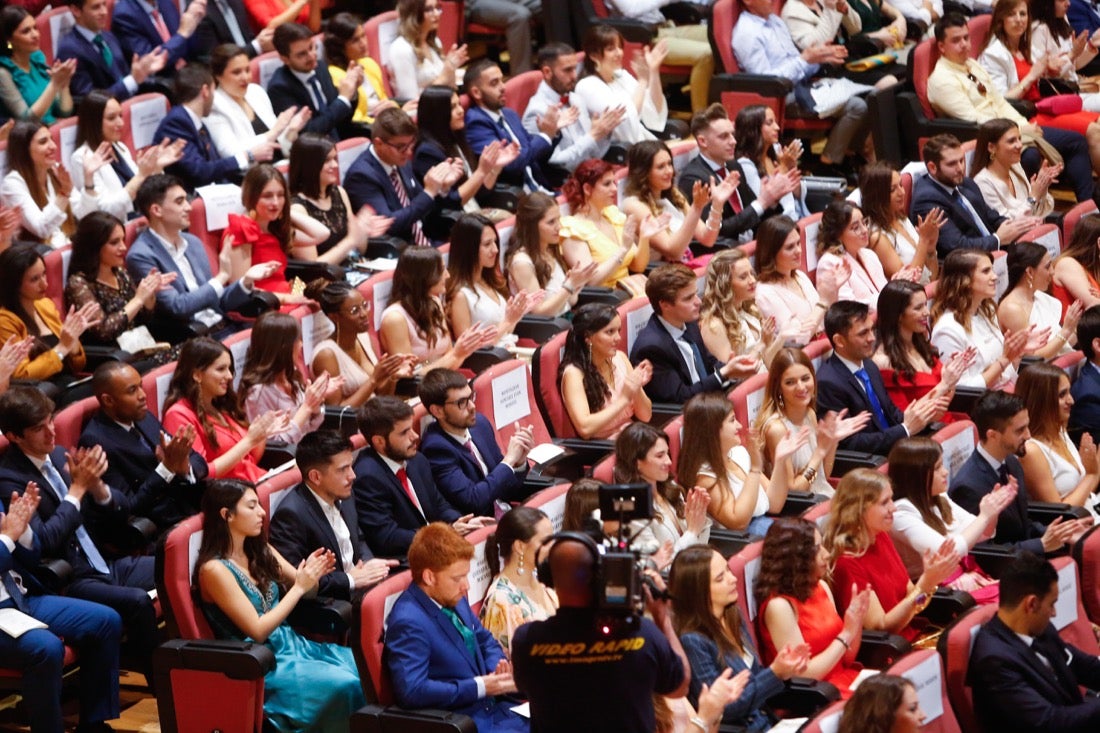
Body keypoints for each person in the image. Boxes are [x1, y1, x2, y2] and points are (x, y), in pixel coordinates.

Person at [0, 385, 160, 683]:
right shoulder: (10, 479)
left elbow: (120, 511)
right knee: (137, 601)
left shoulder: (59, 454)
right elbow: (44, 541)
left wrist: (97, 488)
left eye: (51, 421)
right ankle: (164, 685)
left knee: (179, 563)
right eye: (38, 428)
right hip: (70, 579)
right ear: (14, 436)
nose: (51, 432)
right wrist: (76, 492)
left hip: (106, 560)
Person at [195, 479, 365, 732]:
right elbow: (258, 630)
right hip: (261, 662)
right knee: (345, 685)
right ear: (226, 514)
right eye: (252, 506)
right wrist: (299, 587)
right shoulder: (214, 570)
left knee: (362, 668)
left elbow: (305, 587)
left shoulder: (260, 548)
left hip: (293, 644)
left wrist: (312, 577)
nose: (262, 512)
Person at [513, 532, 693, 733]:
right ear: (599, 577)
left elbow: (523, 684)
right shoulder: (640, 632)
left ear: (548, 578)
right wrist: (663, 618)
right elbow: (680, 686)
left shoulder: (526, 641)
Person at [927, 13, 1097, 204]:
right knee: (1031, 156)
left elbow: (999, 102)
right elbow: (973, 119)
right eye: (956, 40)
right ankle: (1025, 209)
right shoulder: (941, 80)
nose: (965, 44)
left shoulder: (971, 65)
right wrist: (1018, 131)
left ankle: (1088, 208)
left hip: (1011, 128)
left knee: (1076, 141)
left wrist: (1023, 125)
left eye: (966, 38)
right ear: (941, 46)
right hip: (987, 138)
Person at [0, 482, 123, 733]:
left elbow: (30, 558)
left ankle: (93, 724)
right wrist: (7, 537)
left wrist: (23, 531)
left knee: (105, 621)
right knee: (46, 648)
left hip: (20, 597)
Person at [386, 522, 527, 732]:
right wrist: (480, 686)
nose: (466, 586)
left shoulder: (453, 596)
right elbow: (412, 690)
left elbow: (483, 638)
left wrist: (497, 669)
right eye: (457, 578)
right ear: (429, 577)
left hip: (497, 707)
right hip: (464, 722)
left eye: (466, 575)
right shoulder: (408, 621)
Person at [667, 544, 809, 732]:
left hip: (767, 722)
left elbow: (755, 679)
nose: (733, 579)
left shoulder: (733, 616)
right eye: (720, 578)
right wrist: (775, 673)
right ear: (698, 591)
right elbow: (725, 709)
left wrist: (784, 669)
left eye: (728, 570)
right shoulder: (693, 641)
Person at [127, 174, 277, 337]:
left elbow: (219, 300)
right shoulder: (141, 255)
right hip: (194, 338)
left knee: (278, 333)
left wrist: (246, 280)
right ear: (156, 210)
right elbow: (178, 307)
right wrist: (221, 277)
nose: (189, 207)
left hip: (224, 326)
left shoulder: (193, 242)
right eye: (179, 202)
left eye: (186, 200)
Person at [733, 0, 869, 175]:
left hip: (803, 85)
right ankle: (828, 166)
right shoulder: (746, 33)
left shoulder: (775, 21)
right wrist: (805, 60)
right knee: (858, 106)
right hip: (780, 98)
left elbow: (798, 64)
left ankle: (838, 158)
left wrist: (820, 57)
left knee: (867, 96)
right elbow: (766, 81)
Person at [969, 552, 1100, 733]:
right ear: (1031, 604)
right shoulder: (994, 661)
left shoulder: (1040, 629)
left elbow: (1080, 664)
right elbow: (1047, 722)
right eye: (1051, 604)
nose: (1054, 613)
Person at [949, 389, 1091, 556]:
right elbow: (985, 553)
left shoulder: (1011, 462)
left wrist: (1061, 533)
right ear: (993, 435)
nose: (1028, 435)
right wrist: (1041, 545)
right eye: (1020, 430)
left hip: (1026, 556)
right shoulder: (968, 487)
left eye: (1027, 426)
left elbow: (1022, 524)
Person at [825, 468, 960, 641]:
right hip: (893, 650)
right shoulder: (848, 562)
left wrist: (929, 584)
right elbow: (881, 628)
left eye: (891, 500)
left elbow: (913, 598)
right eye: (884, 503)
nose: (893, 508)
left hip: (914, 635)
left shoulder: (880, 536)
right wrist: (926, 584)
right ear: (858, 510)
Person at [353, 396, 493, 557]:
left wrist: (461, 522)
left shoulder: (417, 460)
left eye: (411, 428)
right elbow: (387, 538)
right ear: (379, 442)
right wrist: (444, 533)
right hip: (408, 558)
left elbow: (439, 504)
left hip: (437, 546)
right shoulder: (368, 477)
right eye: (404, 433)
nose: (415, 437)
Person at [80, 361, 207, 533]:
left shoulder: (143, 416)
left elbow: (198, 461)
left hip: (190, 503)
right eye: (132, 390)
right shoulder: (96, 441)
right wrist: (166, 469)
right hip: (159, 526)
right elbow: (129, 506)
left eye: (140, 386)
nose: (143, 395)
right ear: (108, 400)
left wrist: (184, 468)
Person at [269, 430, 396, 602]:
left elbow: (359, 537)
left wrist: (368, 563)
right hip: (333, 604)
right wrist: (351, 580)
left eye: (350, 466)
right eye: (343, 469)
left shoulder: (345, 493)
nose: (352, 475)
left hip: (361, 587)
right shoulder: (291, 515)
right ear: (315, 476)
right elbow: (298, 579)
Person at [755, 518, 869, 698]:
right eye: (816, 550)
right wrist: (846, 634)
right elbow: (803, 674)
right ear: (795, 558)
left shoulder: (821, 587)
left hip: (845, 680)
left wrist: (856, 622)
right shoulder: (779, 606)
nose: (826, 554)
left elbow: (847, 659)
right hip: (820, 695)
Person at [817, 300, 948, 455]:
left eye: (872, 330)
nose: (872, 338)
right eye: (863, 333)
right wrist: (905, 429)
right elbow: (850, 443)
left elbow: (891, 413)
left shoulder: (869, 365)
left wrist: (921, 416)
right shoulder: (828, 382)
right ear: (839, 341)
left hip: (893, 448)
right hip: (871, 464)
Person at [888, 437, 1008, 601]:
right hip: (935, 595)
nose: (945, 472)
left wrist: (992, 512)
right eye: (937, 468)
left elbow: (984, 534)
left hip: (964, 581)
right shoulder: (901, 513)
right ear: (917, 476)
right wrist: (984, 516)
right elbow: (948, 554)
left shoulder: (940, 496)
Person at [162, 337, 290, 483]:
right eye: (221, 369)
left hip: (257, 481)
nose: (229, 376)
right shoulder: (178, 414)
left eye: (229, 369)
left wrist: (260, 435)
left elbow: (251, 460)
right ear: (197, 374)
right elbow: (201, 474)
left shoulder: (221, 405)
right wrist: (249, 440)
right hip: (230, 497)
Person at [978, 0, 1100, 149]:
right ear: (1000, 19)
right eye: (1012, 14)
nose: (1019, 19)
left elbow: (1045, 74)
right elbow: (1001, 100)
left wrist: (1049, 69)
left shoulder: (1024, 46)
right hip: (1028, 116)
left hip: (1046, 106)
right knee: (1094, 131)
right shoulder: (994, 54)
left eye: (1022, 14)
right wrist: (1031, 76)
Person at [630, 263, 759, 404]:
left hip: (710, 403)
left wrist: (732, 370)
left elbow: (709, 363)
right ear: (665, 305)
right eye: (688, 298)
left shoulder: (689, 322)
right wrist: (723, 374)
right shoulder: (651, 348)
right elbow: (681, 396)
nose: (698, 302)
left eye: (696, 294)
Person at [754, 347, 870, 497]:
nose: (801, 387)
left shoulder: (809, 414)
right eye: (790, 382)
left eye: (805, 378)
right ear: (778, 388)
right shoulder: (777, 429)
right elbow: (794, 491)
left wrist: (832, 442)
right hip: (803, 509)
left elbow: (821, 477)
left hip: (822, 496)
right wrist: (819, 452)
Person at [678, 392, 799, 534]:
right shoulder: (705, 477)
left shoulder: (739, 453)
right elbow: (738, 522)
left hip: (765, 525)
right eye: (732, 420)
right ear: (712, 429)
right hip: (745, 541)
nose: (740, 425)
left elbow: (774, 505)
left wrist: (780, 461)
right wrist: (754, 469)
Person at [418, 368, 532, 517]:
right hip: (480, 526)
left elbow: (505, 487)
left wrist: (519, 463)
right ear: (437, 411)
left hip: (506, 513)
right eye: (462, 403)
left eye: (471, 397)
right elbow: (474, 500)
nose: (472, 407)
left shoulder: (480, 425)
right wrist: (510, 460)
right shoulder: (436, 449)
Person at [343, 107, 464, 247]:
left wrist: (441, 188)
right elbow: (390, 224)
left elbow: (422, 205)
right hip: (399, 250)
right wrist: (429, 192)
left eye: (411, 144)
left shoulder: (401, 161)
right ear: (378, 143)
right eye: (401, 147)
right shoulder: (362, 176)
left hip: (426, 241)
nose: (408, 152)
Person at [679, 103, 797, 245]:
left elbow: (753, 214)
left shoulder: (734, 166)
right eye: (724, 137)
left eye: (733, 135)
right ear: (703, 141)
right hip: (724, 253)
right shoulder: (694, 178)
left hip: (749, 245)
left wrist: (772, 199)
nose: (733, 142)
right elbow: (717, 230)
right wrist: (763, 202)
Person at [64, 211, 175, 357]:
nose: (123, 247)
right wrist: (138, 299)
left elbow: (143, 319)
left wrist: (149, 294)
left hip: (140, 346)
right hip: (112, 357)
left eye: (123, 240)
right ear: (94, 246)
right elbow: (104, 331)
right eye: (114, 242)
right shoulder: (78, 283)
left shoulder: (120, 272)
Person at [910, 134, 1039, 257]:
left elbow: (991, 216)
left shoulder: (965, 183)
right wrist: (998, 239)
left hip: (995, 252)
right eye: (952, 164)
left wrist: (1019, 226)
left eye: (961, 160)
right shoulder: (927, 200)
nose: (960, 168)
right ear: (932, 167)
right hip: (969, 266)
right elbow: (956, 246)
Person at [153, 65, 274, 191]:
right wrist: (247, 156)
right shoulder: (176, 122)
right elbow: (199, 171)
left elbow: (213, 165)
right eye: (213, 90)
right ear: (205, 91)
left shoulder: (196, 121)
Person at [931, 249, 1038, 389]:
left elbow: (1004, 373)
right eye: (986, 271)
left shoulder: (987, 311)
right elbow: (961, 390)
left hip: (1004, 391)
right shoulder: (947, 329)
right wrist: (1004, 361)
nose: (994, 277)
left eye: (992, 270)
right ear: (964, 280)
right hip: (980, 405)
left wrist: (1017, 353)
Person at [70, 91, 184, 221]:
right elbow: (103, 212)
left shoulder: (120, 147)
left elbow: (144, 191)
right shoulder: (81, 158)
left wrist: (156, 168)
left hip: (142, 219)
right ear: (93, 122)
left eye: (121, 115)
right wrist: (141, 176)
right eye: (112, 118)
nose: (121, 123)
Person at [380, 246, 498, 370]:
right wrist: (456, 354)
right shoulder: (395, 319)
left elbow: (451, 358)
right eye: (441, 270)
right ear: (423, 277)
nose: (447, 275)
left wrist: (465, 351)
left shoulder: (434, 302)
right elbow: (408, 379)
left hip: (445, 379)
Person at [413, 84, 517, 219]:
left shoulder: (456, 138)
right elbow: (452, 203)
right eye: (452, 107)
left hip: (474, 210)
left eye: (459, 105)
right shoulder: (427, 153)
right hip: (453, 221)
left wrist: (495, 167)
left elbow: (481, 193)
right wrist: (481, 172)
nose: (460, 111)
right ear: (437, 114)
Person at [0, 244, 96, 389]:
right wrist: (62, 347)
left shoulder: (45, 305)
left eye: (44, 274)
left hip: (69, 384)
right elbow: (21, 375)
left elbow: (77, 366)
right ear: (14, 284)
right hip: (42, 395)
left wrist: (73, 341)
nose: (44, 283)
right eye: (34, 279)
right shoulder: (5, 321)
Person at [305, 278, 412, 408]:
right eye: (355, 310)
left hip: (375, 415)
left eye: (364, 305)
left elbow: (380, 395)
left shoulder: (364, 338)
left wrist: (393, 376)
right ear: (334, 317)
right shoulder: (326, 355)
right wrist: (373, 380)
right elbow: (338, 413)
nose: (364, 314)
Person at [612, 421, 711, 560]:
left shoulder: (670, 486)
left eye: (667, 453)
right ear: (637, 463)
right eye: (660, 456)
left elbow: (700, 547)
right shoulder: (631, 510)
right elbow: (658, 567)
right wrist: (692, 531)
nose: (669, 461)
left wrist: (699, 519)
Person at [622, 140, 732, 264]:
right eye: (661, 167)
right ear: (643, 172)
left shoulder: (674, 194)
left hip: (682, 268)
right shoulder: (634, 205)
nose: (669, 171)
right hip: (658, 274)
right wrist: (696, 208)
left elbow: (707, 239)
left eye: (670, 164)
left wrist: (717, 204)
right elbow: (673, 251)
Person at [522, 43, 622, 178]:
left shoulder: (575, 98)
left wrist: (604, 133)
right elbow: (557, 164)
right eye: (567, 70)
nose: (574, 76)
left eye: (575, 69)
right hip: (564, 182)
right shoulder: (537, 112)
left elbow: (593, 154)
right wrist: (592, 136)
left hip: (590, 175)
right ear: (547, 72)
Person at [872, 280, 973, 412]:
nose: (927, 312)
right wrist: (945, 383)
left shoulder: (923, 344)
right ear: (898, 315)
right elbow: (905, 419)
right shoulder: (883, 361)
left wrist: (950, 373)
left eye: (925, 305)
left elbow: (945, 399)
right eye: (918, 308)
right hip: (923, 431)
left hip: (944, 419)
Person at [465, 58, 562, 195]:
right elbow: (512, 165)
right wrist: (545, 135)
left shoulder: (509, 114)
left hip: (542, 189)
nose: (503, 87)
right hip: (518, 200)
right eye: (494, 83)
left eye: (502, 80)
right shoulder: (476, 123)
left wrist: (553, 131)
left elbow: (535, 155)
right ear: (476, 93)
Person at [288, 134, 389, 265]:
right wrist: (350, 241)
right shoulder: (297, 209)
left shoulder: (339, 193)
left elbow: (361, 250)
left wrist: (362, 230)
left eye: (335, 158)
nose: (335, 165)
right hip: (322, 282)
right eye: (327, 160)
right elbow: (313, 269)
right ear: (309, 166)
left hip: (353, 268)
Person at [1017, 362, 1100, 515]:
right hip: (1075, 531)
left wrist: (1095, 466)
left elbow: (1085, 492)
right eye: (1062, 395)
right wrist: (1091, 474)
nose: (1071, 401)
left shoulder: (1059, 430)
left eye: (1069, 392)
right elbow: (1060, 515)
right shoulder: (1031, 451)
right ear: (1041, 400)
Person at [558, 157, 651, 295]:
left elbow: (638, 266)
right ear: (587, 189)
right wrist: (623, 249)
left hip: (632, 289)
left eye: (614, 182)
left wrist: (644, 237)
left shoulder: (613, 215)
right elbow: (592, 281)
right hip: (607, 300)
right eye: (607, 184)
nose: (614, 189)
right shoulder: (572, 229)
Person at [560, 302, 653, 440]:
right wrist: (624, 399)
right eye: (610, 332)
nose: (618, 338)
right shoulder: (574, 374)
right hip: (605, 449)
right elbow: (585, 429)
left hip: (632, 437)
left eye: (618, 331)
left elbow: (646, 416)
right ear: (588, 337)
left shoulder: (620, 358)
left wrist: (636, 386)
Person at [205, 43, 309, 163]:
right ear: (218, 76)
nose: (245, 77)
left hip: (280, 164)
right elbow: (230, 153)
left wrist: (291, 130)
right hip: (251, 175)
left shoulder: (255, 91)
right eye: (237, 72)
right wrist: (275, 131)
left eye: (247, 70)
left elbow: (279, 145)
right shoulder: (214, 105)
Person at [446, 213, 537, 348]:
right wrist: (507, 321)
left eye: (495, 242)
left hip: (509, 351)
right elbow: (467, 351)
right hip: (491, 362)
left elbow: (506, 331)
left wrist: (518, 314)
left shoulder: (491, 282)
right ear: (468, 248)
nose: (495, 250)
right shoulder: (460, 296)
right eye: (487, 244)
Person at [753, 215, 845, 345]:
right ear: (771, 253)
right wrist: (824, 301)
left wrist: (833, 291)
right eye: (790, 247)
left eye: (798, 244)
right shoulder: (764, 293)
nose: (799, 251)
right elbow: (798, 339)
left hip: (827, 345)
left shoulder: (800, 276)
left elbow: (824, 319)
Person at [238, 311, 328, 444]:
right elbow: (276, 446)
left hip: (310, 449)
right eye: (297, 340)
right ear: (283, 348)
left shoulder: (292, 376)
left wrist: (315, 408)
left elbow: (310, 429)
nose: (301, 345)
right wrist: (306, 407)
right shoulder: (258, 393)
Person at [221, 164, 305, 304]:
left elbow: (321, 234)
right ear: (251, 198)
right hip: (264, 305)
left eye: (280, 195)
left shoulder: (273, 227)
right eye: (267, 196)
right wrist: (288, 299)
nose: (276, 202)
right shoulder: (241, 230)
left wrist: (286, 211)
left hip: (285, 295)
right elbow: (241, 290)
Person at [505, 191, 597, 318]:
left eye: (558, 219)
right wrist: (569, 286)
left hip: (566, 319)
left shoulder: (550, 249)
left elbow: (570, 302)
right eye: (551, 222)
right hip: (549, 329)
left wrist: (577, 284)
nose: (558, 227)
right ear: (532, 226)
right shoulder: (522, 262)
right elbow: (540, 312)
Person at [479, 506, 557, 657]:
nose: (552, 546)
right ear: (520, 547)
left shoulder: (539, 582)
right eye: (545, 541)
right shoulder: (501, 602)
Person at [573, 25, 669, 145]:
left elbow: (654, 110)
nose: (619, 53)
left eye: (620, 47)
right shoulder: (587, 85)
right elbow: (626, 121)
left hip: (643, 141)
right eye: (611, 49)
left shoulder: (621, 75)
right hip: (622, 150)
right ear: (594, 56)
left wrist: (654, 71)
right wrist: (643, 81)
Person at [57, 0, 168, 102]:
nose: (104, 12)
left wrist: (143, 72)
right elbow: (90, 102)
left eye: (104, 4)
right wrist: (133, 80)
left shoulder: (109, 37)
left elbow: (126, 76)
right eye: (96, 7)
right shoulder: (69, 50)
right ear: (76, 10)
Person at [267, 24, 359, 142]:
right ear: (285, 59)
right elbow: (309, 132)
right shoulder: (279, 88)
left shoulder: (320, 67)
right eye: (302, 54)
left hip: (339, 140)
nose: (311, 56)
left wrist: (352, 92)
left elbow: (340, 119)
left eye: (312, 47)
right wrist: (343, 99)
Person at [698, 249, 784, 369]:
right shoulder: (713, 325)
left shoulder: (752, 309)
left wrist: (780, 338)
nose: (753, 280)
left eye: (751, 273)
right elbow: (731, 376)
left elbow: (768, 359)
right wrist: (762, 344)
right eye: (743, 277)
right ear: (725, 284)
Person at [860, 162, 942, 282]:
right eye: (893, 190)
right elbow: (906, 284)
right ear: (877, 196)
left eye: (901, 185)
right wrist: (924, 240)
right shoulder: (876, 237)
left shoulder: (900, 217)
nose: (902, 193)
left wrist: (930, 249)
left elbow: (931, 277)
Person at [999, 242, 1081, 359]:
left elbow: (1061, 345)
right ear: (1030, 272)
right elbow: (1033, 358)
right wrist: (1066, 331)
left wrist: (1076, 327)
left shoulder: (1039, 296)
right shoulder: (1012, 309)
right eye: (1047, 267)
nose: (1053, 272)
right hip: (1042, 374)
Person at [2, 118, 75, 248]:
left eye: (52, 139)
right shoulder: (12, 184)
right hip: (37, 256)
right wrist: (64, 194)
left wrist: (88, 180)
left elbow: (83, 211)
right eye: (43, 142)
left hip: (65, 244)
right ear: (24, 150)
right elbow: (42, 229)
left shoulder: (55, 169)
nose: (53, 146)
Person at [324, 13, 403, 128]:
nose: (363, 43)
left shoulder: (369, 63)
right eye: (355, 40)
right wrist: (390, 120)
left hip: (386, 122)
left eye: (363, 36)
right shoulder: (335, 76)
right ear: (339, 46)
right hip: (367, 129)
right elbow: (354, 120)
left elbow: (384, 100)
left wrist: (395, 108)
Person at [972, 119, 1060, 218]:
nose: (1020, 145)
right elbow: (1006, 224)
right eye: (1011, 141)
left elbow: (1039, 213)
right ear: (992, 147)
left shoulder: (1015, 166)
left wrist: (1041, 189)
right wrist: (1033, 197)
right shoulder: (983, 182)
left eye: (1019, 139)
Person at [0, 5, 74, 123]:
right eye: (26, 31)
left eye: (35, 27)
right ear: (9, 40)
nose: (35, 35)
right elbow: (27, 119)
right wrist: (54, 84)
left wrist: (64, 84)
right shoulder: (3, 73)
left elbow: (64, 112)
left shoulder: (37, 59)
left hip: (50, 130)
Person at [734, 105, 807, 220]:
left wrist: (792, 169)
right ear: (753, 129)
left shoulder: (776, 155)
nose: (777, 127)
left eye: (776, 122)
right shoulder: (745, 165)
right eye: (769, 123)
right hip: (774, 226)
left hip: (794, 218)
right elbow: (763, 203)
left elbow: (797, 195)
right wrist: (783, 167)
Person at [815, 200, 889, 310]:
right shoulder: (830, 263)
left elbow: (883, 291)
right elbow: (848, 309)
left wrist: (897, 285)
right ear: (838, 234)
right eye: (856, 228)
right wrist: (891, 295)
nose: (865, 230)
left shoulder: (869, 254)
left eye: (864, 222)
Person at [388, 0, 468, 101]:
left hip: (441, 103)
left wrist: (451, 68)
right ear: (414, 14)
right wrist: (444, 76)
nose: (436, 14)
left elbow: (448, 86)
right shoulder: (401, 49)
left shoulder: (434, 41)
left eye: (437, 8)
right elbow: (410, 101)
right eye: (429, 9)